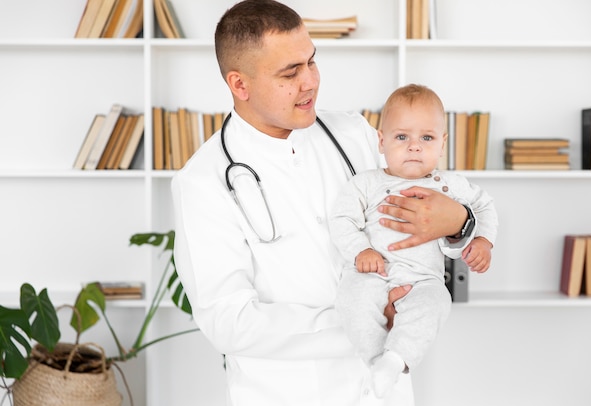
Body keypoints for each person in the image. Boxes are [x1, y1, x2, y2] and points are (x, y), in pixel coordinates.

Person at [171, 1, 476, 405]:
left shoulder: (354, 134)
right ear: (239, 85)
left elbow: (426, 219)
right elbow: (228, 321)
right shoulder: (203, 181)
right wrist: (358, 320)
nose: (310, 82)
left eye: (311, 62)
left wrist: (460, 222)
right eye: (289, 73)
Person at [329, 84, 498, 398]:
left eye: (427, 138)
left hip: (422, 279)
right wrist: (361, 250)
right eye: (402, 137)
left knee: (438, 301)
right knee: (352, 298)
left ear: (442, 143)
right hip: (373, 273)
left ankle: (394, 360)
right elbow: (341, 220)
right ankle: (376, 361)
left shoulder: (449, 185)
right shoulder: (365, 183)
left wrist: (484, 241)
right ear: (382, 141)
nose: (414, 147)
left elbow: (484, 205)